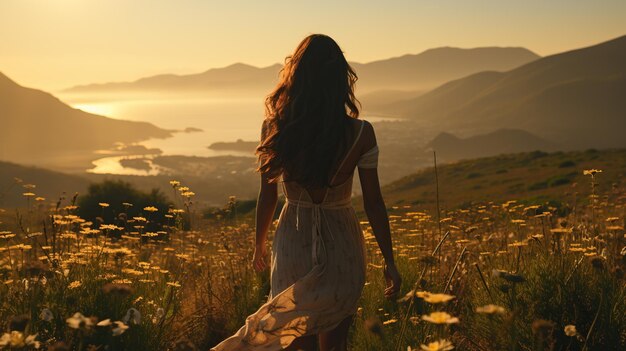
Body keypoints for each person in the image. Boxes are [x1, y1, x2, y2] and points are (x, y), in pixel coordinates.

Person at [211, 34, 401, 351]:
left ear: (296, 76)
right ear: (341, 78)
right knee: (336, 342)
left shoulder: (275, 127)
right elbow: (374, 203)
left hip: (292, 241)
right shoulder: (361, 133)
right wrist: (389, 261)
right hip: (342, 242)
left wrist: (259, 243)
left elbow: (268, 195)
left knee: (298, 342)